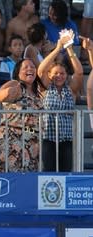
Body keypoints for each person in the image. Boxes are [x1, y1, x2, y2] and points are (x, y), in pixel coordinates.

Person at [37, 30, 82, 172]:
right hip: (48, 138)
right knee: (48, 172)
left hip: (66, 139)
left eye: (62, 73)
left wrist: (69, 48)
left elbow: (79, 72)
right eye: (55, 73)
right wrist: (57, 48)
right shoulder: (46, 87)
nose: (59, 76)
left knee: (66, 172)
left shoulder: (71, 90)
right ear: (50, 75)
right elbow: (41, 70)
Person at [0, 58, 44, 172]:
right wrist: (8, 93)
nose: (30, 69)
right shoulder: (16, 84)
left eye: (33, 67)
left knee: (28, 180)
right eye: (26, 67)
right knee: (9, 178)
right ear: (18, 73)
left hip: (31, 141)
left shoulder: (37, 92)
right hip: (11, 139)